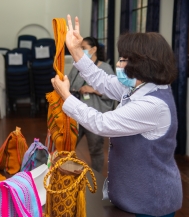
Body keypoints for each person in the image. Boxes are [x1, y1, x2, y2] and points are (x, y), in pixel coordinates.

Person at [51, 15, 182, 217]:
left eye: (125, 59)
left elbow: (102, 123)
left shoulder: (153, 105)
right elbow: (101, 80)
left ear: (143, 64)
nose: (120, 64)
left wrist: (66, 96)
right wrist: (76, 50)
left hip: (150, 203)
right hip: (130, 198)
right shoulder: (138, 87)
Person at [68, 36, 115, 172]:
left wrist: (93, 90)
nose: (81, 51)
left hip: (94, 116)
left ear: (93, 49)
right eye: (80, 48)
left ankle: (96, 180)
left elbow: (113, 92)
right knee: (68, 146)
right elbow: (70, 84)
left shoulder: (105, 68)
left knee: (95, 149)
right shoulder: (77, 67)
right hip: (76, 115)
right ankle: (68, 176)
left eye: (84, 48)